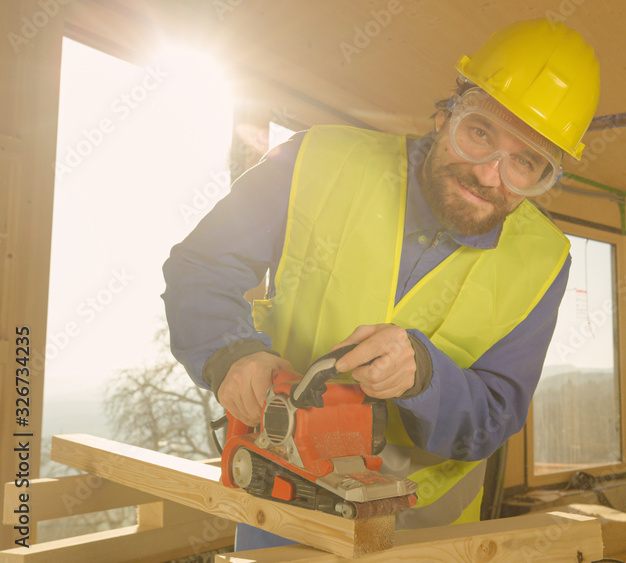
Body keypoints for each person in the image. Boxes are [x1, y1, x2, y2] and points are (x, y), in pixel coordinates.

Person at [162, 18, 600, 549]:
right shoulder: (315, 160)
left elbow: (495, 414)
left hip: (427, 538)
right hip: (283, 497)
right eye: (480, 133)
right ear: (445, 115)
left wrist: (426, 380)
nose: (489, 175)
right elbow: (203, 265)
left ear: (546, 178)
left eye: (526, 162)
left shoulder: (545, 261)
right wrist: (229, 354)